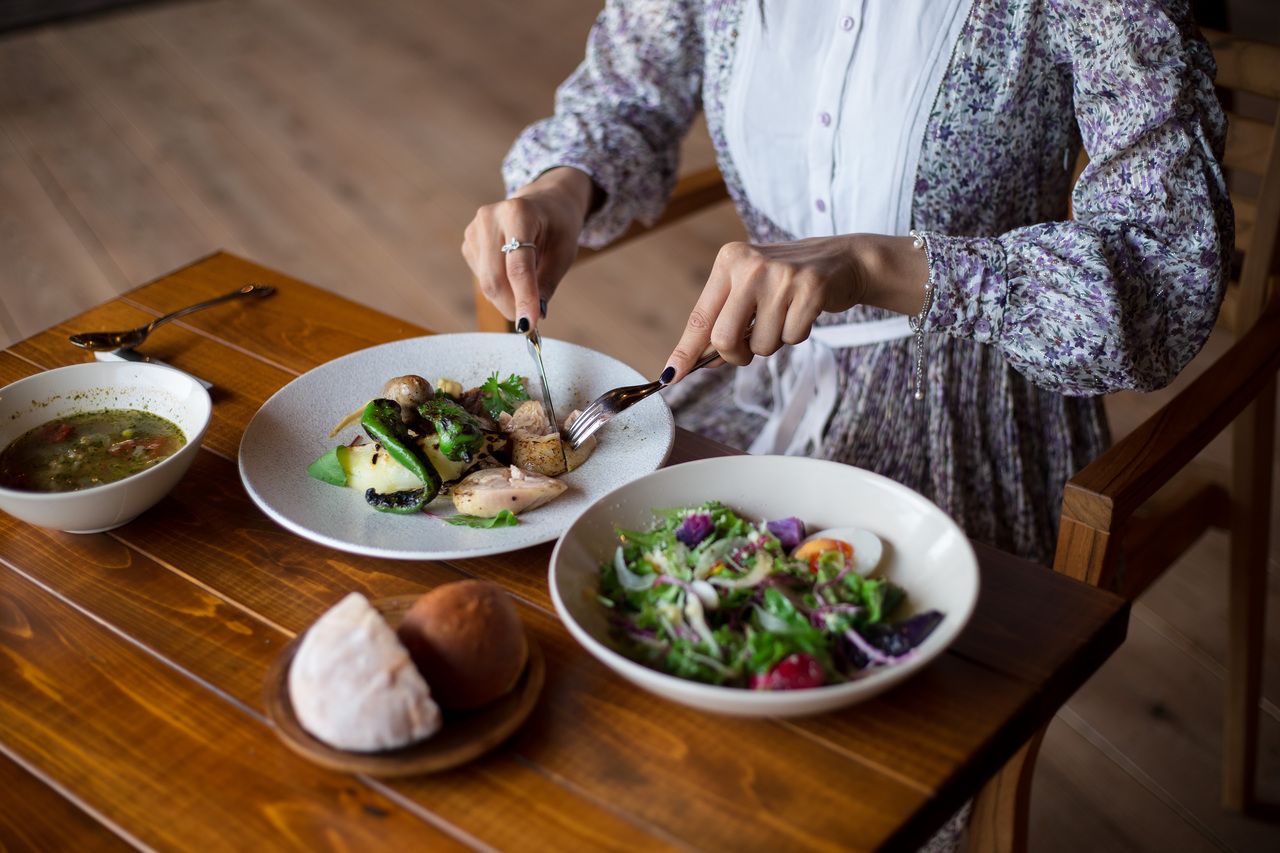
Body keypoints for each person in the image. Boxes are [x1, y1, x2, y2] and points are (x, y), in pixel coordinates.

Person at [461, 0, 1230, 571]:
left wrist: (874, 266)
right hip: (759, 374)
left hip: (972, 419)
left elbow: (1159, 278)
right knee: (583, 581)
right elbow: (626, 94)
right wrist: (564, 188)